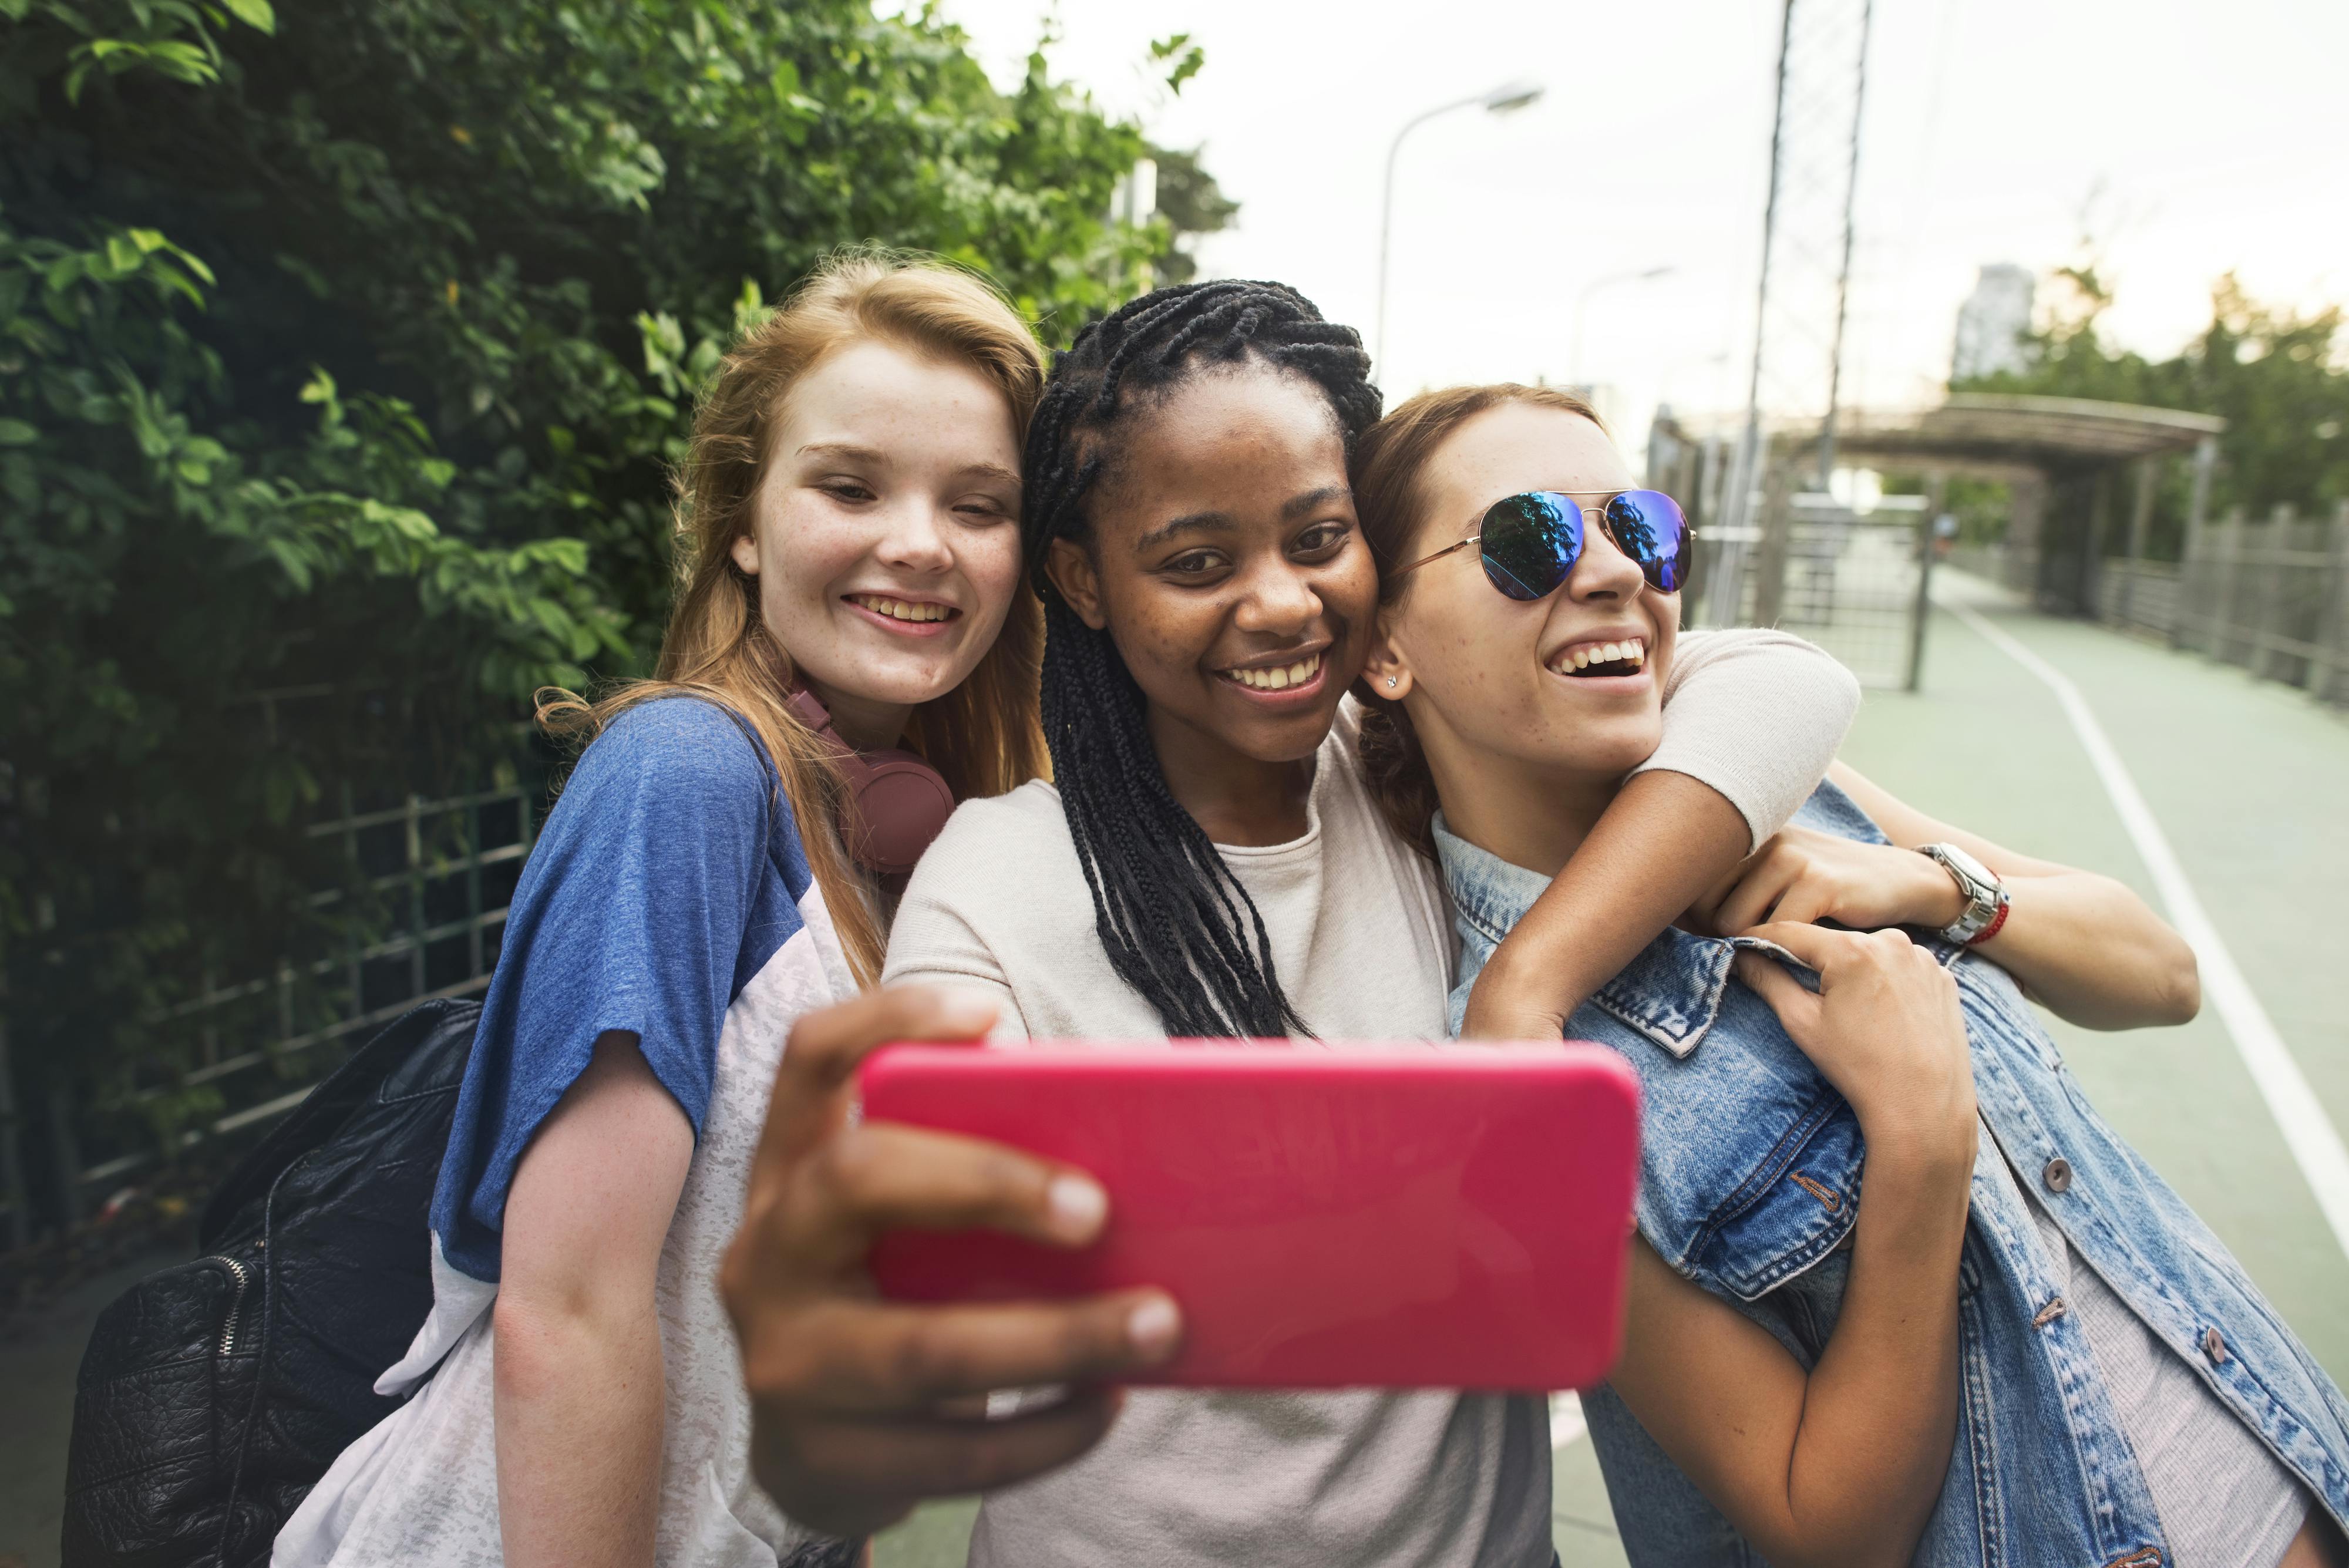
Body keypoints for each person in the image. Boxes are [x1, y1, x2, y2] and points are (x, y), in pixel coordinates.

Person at [848, 279, 1856, 1567]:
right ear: (1080, 580)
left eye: (1317, 539)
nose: (1277, 604)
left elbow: (1787, 680)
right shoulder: (1003, 878)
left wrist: (1523, 987)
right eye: (1196, 562)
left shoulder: (1414, 774)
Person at [1347, 379, 2349, 1566]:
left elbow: (2159, 973)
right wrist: (1921, 1140)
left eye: (1640, 528)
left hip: (2294, 1465)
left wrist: (1940, 890)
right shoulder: (1530, 1075)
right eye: (1528, 538)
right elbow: (1827, 1526)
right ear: (1384, 653)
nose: (1616, 572)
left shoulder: (1792, 791)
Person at [272, 254, 1078, 1568]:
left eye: (976, 504)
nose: (920, 541)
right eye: (849, 486)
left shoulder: (902, 833)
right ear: (744, 521)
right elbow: (571, 1308)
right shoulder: (689, 776)